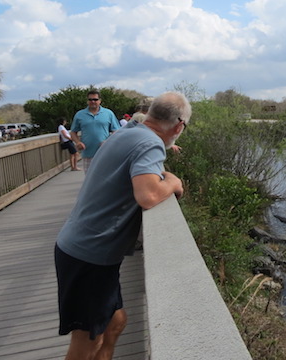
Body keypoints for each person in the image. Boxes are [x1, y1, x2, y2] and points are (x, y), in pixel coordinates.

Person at [54, 91, 191, 360]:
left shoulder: (128, 132)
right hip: (88, 256)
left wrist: (162, 176)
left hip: (86, 250)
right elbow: (148, 195)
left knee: (115, 323)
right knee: (88, 341)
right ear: (178, 126)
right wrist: (174, 183)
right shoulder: (149, 143)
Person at [70, 90, 120, 172]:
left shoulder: (108, 113)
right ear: (87, 101)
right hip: (88, 153)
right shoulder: (80, 114)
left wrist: (108, 141)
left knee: (106, 179)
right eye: (90, 100)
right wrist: (78, 142)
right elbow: (73, 132)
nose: (93, 101)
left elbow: (116, 131)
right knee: (90, 181)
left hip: (105, 153)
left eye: (95, 99)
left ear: (100, 101)